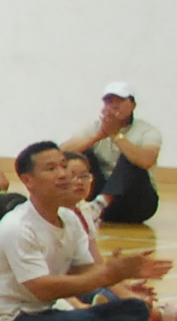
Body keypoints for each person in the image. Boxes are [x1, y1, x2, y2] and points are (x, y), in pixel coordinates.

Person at [0, 141, 177, 321]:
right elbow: (42, 289)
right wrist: (107, 275)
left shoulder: (68, 218)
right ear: (28, 180)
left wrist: (122, 273)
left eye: (63, 165)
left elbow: (84, 269)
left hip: (47, 316)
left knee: (135, 309)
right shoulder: (18, 227)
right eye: (51, 169)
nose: (63, 174)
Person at [68, 84, 162, 226]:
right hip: (97, 197)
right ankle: (87, 206)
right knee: (82, 154)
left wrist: (116, 135)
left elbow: (146, 160)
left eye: (120, 101)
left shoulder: (147, 131)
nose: (115, 106)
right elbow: (64, 152)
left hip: (136, 202)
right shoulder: (94, 127)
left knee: (131, 157)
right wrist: (99, 136)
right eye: (110, 102)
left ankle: (100, 203)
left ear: (133, 105)